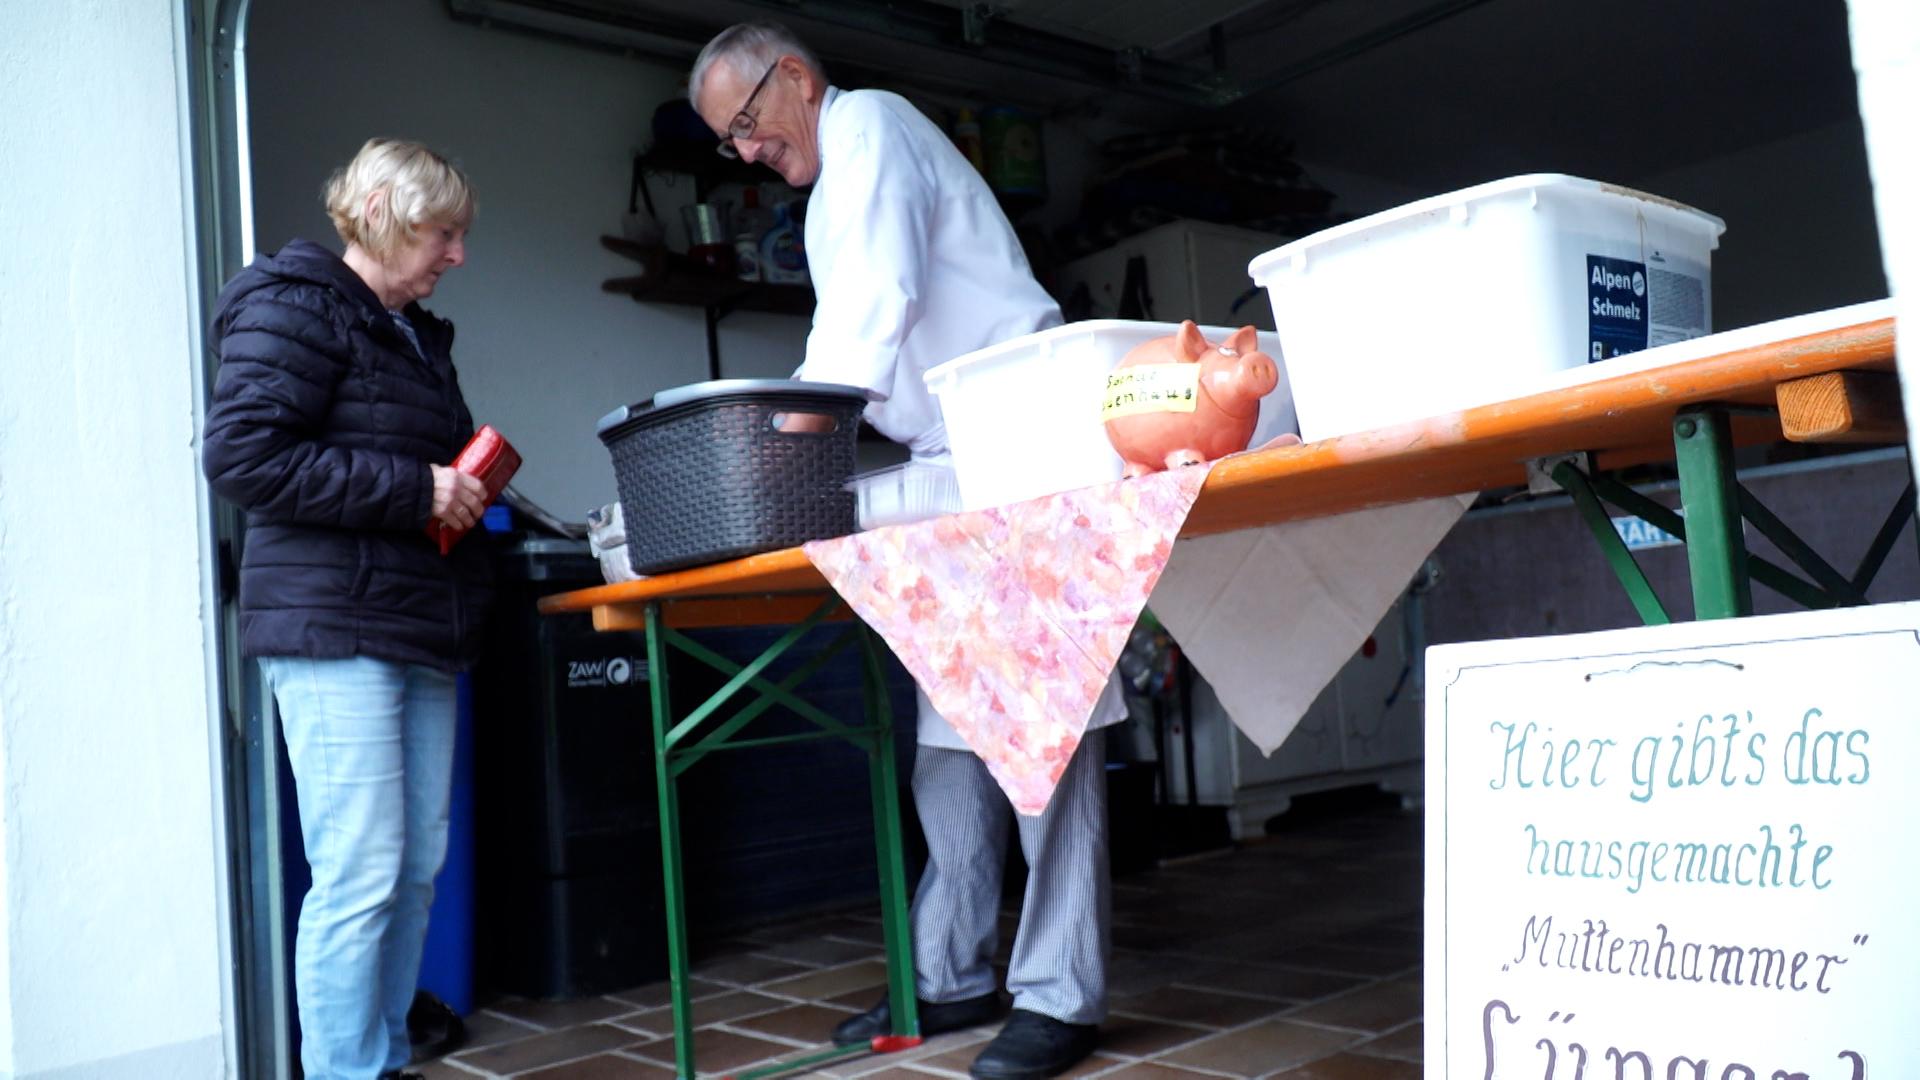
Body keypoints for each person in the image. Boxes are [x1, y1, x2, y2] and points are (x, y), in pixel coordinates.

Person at [690, 24, 1123, 1080]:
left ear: (794, 77)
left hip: (1024, 442)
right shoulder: (833, 184)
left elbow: (874, 306)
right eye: (726, 144)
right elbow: (862, 335)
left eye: (745, 124)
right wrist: (787, 423)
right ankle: (952, 969)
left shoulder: (871, 123)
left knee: (1044, 731)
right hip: (954, 458)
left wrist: (784, 428)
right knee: (949, 730)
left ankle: (1061, 994)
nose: (744, 152)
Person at [201, 138, 494, 1080]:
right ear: (379, 210)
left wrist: (461, 487)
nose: (456, 256)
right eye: (442, 233)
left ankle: (379, 1061)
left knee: (412, 873)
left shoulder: (412, 334)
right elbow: (243, 458)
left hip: (413, 622)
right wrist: (419, 489)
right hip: (333, 629)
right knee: (361, 873)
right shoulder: (294, 305)